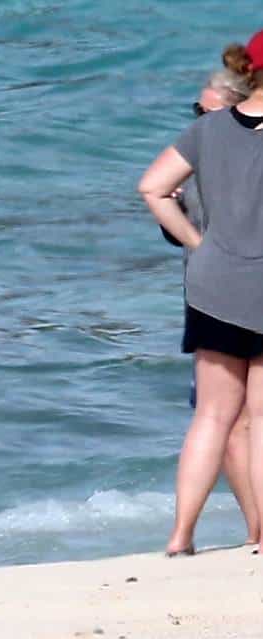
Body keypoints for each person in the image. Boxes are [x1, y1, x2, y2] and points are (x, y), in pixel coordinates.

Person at [139, 29, 263, 556]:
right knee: (261, 418)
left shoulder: (207, 128)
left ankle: (180, 537)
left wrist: (199, 244)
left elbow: (152, 188)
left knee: (211, 415)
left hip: (212, 285)